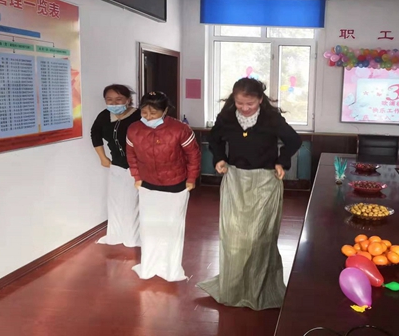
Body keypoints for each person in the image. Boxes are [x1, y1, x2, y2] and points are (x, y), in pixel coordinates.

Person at [197, 78, 302, 310]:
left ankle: (258, 288)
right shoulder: (227, 117)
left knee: (259, 238)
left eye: (250, 104)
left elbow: (294, 140)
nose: (244, 108)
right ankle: (234, 287)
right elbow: (214, 139)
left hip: (265, 181)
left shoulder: (271, 118)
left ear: (260, 100)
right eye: (240, 103)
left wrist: (282, 161)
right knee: (234, 237)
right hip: (236, 180)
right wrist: (219, 158)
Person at [126, 91, 201, 282]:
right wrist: (137, 176)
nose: (148, 117)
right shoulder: (134, 129)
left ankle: (170, 267)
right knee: (149, 226)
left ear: (165, 111)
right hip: (147, 184)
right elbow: (131, 155)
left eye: (153, 113)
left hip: (176, 184)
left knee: (171, 227)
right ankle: (150, 265)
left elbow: (193, 155)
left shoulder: (180, 129)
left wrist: (191, 178)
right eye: (144, 113)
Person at [91, 84, 142, 248]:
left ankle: (133, 237)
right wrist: (102, 157)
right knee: (115, 202)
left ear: (128, 100)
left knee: (133, 203)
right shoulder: (104, 116)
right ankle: (116, 234)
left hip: (138, 167)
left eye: (119, 99)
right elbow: (95, 134)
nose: (114, 103)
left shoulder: (139, 115)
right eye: (109, 100)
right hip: (117, 165)